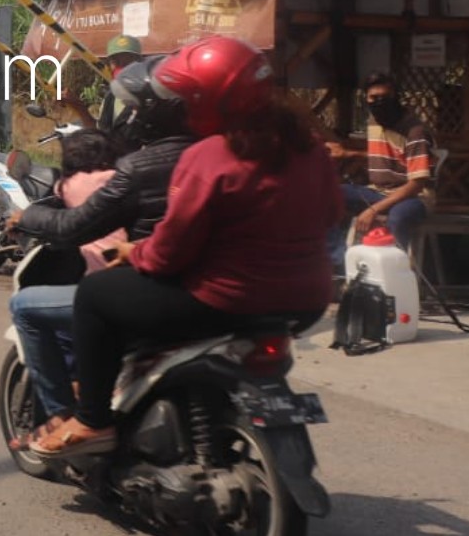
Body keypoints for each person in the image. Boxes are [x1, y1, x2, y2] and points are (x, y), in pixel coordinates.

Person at [36, 36, 339, 458]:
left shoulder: (208, 156)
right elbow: (330, 217)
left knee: (94, 295)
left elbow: (169, 254)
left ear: (205, 102)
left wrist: (133, 252)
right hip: (305, 302)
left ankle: (92, 420)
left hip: (225, 300)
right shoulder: (310, 149)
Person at [4, 58, 196, 452]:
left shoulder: (136, 169)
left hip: (157, 289)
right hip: (246, 294)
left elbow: (75, 226)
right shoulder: (230, 157)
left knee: (34, 305)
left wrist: (28, 215)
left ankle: (70, 416)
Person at [323, 72, 434, 270]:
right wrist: (347, 153)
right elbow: (387, 154)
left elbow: (417, 183)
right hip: (377, 191)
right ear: (366, 98)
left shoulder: (415, 131)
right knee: (326, 195)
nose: (379, 103)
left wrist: (374, 209)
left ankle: (392, 272)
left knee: (398, 218)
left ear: (396, 97)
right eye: (373, 98)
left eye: (385, 98)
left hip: (414, 198)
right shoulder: (374, 121)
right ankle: (339, 264)